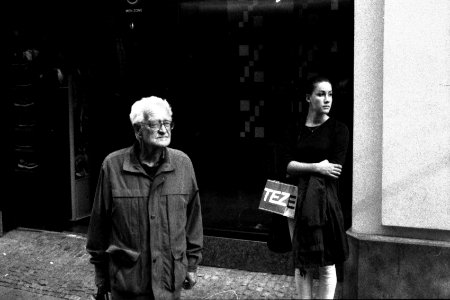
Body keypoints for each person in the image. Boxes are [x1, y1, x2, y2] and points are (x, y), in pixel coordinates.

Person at [86, 96, 203, 300]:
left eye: (167, 123)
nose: (163, 130)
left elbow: (193, 220)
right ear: (138, 130)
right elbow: (99, 224)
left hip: (168, 280)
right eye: (155, 124)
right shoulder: (112, 166)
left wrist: (192, 265)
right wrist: (100, 273)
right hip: (128, 281)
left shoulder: (183, 164)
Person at [281, 76, 349, 299]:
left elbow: (335, 169)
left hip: (323, 203)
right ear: (309, 98)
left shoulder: (339, 129)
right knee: (302, 261)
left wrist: (305, 169)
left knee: (326, 264)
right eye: (321, 94)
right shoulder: (295, 129)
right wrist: (317, 167)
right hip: (294, 200)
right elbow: (287, 166)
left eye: (330, 94)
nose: (327, 99)